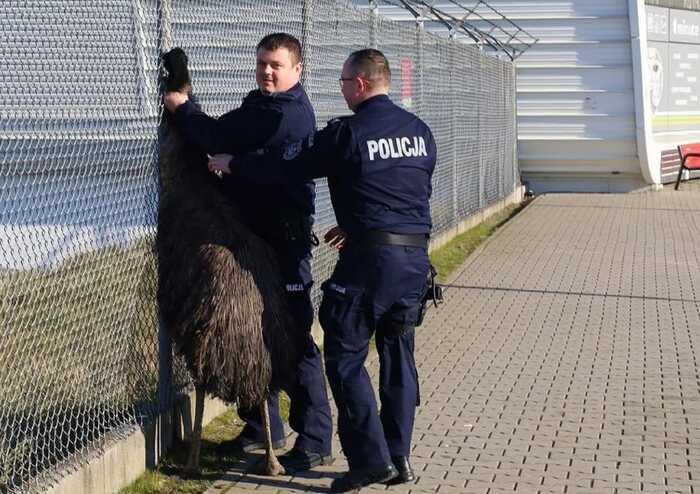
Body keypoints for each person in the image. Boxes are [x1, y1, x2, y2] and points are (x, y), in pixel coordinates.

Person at [208, 48, 436, 492]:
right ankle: (400, 456)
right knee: (398, 356)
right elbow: (407, 190)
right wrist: (358, 225)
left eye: (345, 83)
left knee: (346, 357)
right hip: (414, 260)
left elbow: (286, 163)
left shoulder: (346, 134)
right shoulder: (420, 132)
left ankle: (369, 461)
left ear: (362, 85)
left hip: (370, 265)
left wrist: (234, 163)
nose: (344, 91)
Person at [163, 32, 334, 474]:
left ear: (297, 70)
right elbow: (224, 135)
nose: (267, 71)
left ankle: (315, 437)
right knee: (252, 325)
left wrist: (184, 107)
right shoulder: (261, 105)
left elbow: (219, 134)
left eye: (276, 64)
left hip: (283, 240)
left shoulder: (285, 115)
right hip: (252, 232)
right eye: (261, 63)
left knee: (292, 333)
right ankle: (264, 428)